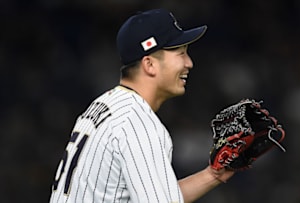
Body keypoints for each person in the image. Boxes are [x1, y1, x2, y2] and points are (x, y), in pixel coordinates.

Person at [49, 8, 234, 203]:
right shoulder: (137, 123)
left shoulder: (103, 105)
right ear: (150, 65)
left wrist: (212, 175)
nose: (189, 63)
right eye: (180, 53)